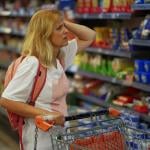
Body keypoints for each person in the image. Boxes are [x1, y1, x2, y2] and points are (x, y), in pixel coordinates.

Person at [0, 9, 96, 150]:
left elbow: (90, 36)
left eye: (63, 27)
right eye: (58, 28)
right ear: (45, 35)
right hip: (39, 140)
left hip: (59, 136)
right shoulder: (33, 63)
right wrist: (47, 114)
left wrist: (63, 22)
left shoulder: (59, 58)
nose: (65, 31)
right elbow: (6, 100)